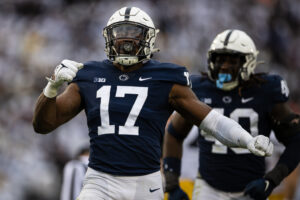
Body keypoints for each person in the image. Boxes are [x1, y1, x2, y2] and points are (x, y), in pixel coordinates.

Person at [32, 7, 273, 200]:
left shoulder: (167, 78)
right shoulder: (89, 74)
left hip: (145, 184)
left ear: (149, 38)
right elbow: (43, 125)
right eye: (119, 32)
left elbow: (211, 121)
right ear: (108, 37)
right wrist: (52, 88)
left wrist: (247, 140)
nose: (125, 40)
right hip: (100, 182)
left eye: (134, 33)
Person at [162, 29, 300, 200]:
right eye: (219, 59)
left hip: (251, 189)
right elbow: (174, 133)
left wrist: (272, 180)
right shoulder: (198, 88)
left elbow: (296, 140)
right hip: (208, 189)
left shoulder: (266, 91)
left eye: (232, 60)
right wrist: (172, 184)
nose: (225, 66)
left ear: (248, 62)